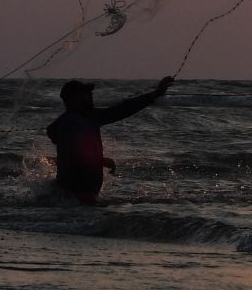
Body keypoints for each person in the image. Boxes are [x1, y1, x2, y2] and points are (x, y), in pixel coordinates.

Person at [46, 76, 173, 205]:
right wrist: (100, 160)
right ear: (73, 99)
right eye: (86, 93)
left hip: (79, 195)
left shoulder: (88, 117)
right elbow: (73, 152)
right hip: (77, 193)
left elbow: (121, 110)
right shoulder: (71, 122)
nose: (91, 95)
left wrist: (155, 94)